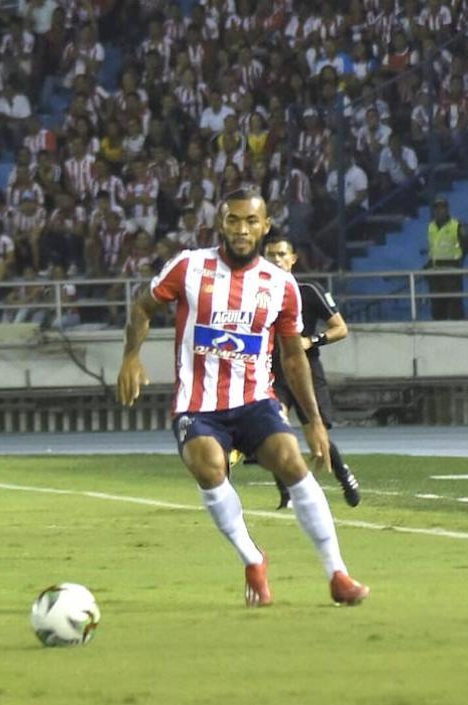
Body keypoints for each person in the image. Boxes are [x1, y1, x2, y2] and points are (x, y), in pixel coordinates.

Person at [116, 188, 369, 607]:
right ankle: (253, 559)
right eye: (233, 219)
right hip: (198, 404)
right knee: (208, 466)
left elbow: (293, 357)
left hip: (254, 400)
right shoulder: (189, 266)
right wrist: (131, 356)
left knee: (291, 461)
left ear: (265, 227)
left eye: (251, 221)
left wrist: (313, 422)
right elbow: (143, 306)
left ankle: (337, 574)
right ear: (221, 223)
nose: (241, 228)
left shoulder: (281, 285)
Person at [259, 236, 360, 510]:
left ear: (293, 259)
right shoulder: (255, 294)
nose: (276, 260)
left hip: (306, 371)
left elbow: (340, 328)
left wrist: (311, 341)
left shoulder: (308, 291)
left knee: (317, 442)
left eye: (281, 254)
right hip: (272, 373)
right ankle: (287, 493)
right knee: (272, 430)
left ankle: (343, 475)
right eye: (270, 255)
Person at [426, 196, 468, 321]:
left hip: (452, 269)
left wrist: (458, 258)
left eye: (442, 207)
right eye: (437, 208)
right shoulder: (431, 226)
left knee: (454, 304)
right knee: (437, 305)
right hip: (435, 270)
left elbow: (467, 244)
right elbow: (432, 246)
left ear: (447, 209)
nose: (439, 211)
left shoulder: (456, 225)